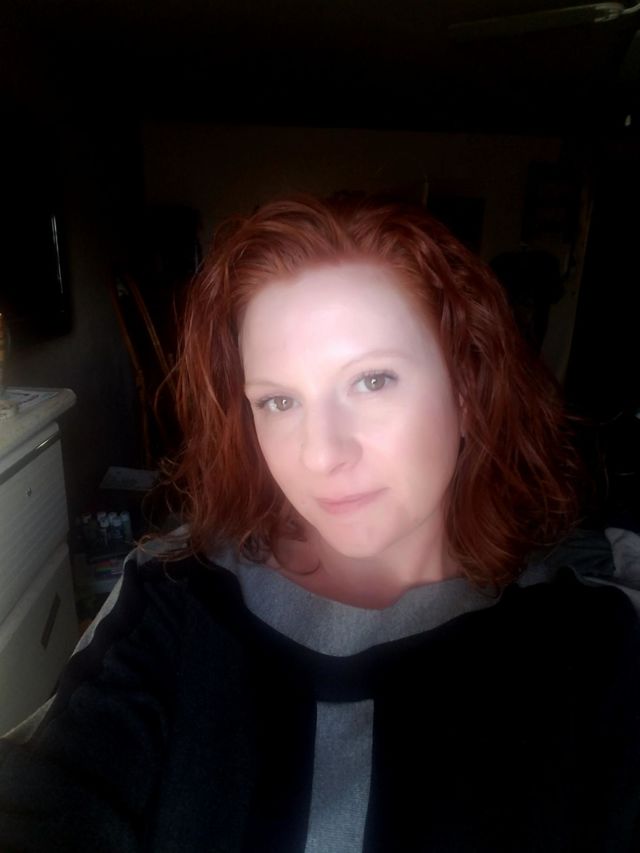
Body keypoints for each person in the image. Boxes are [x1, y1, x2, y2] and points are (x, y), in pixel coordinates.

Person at [1, 193, 639, 852]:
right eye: (279, 401)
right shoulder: (171, 602)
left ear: (467, 389)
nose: (321, 455)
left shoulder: (592, 649)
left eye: (372, 381)